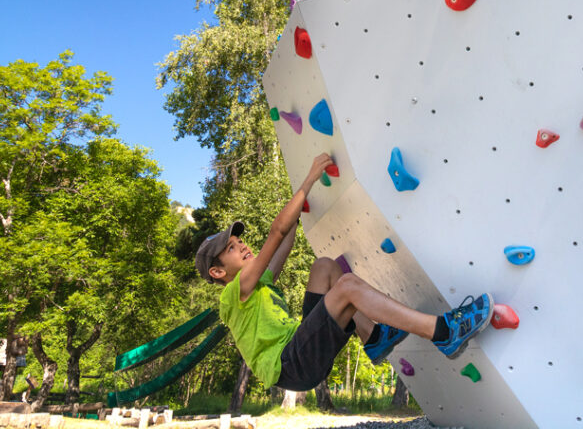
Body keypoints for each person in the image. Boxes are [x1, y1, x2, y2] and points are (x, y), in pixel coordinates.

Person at [195, 152, 493, 392]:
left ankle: (374, 337)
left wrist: (299, 201)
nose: (242, 245)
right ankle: (443, 332)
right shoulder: (235, 293)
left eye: (239, 240)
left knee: (324, 267)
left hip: (299, 347)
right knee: (347, 286)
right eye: (232, 248)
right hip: (290, 364)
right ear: (218, 272)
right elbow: (276, 232)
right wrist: (309, 179)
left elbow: (285, 242)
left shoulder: (257, 283)